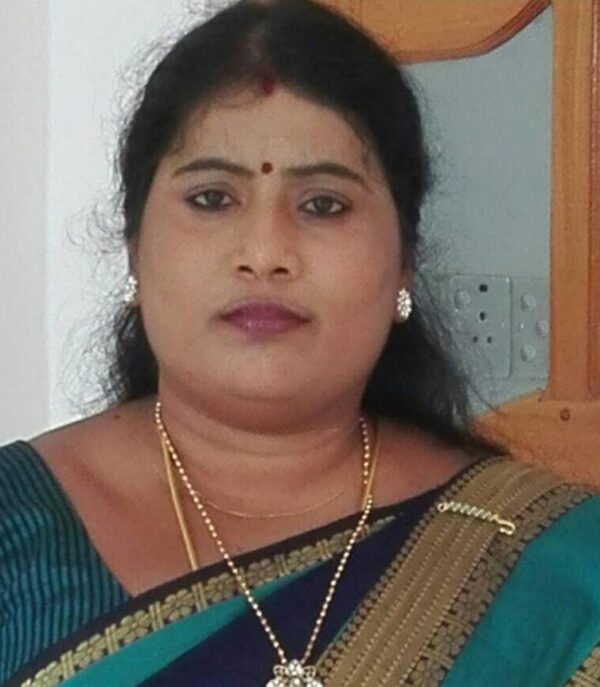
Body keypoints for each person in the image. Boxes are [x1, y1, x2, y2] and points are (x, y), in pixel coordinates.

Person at [1, 0, 599, 685]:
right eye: (212, 198)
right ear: (136, 249)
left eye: (323, 205)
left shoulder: (553, 571)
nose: (264, 253)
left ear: (404, 261)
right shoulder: (16, 528)